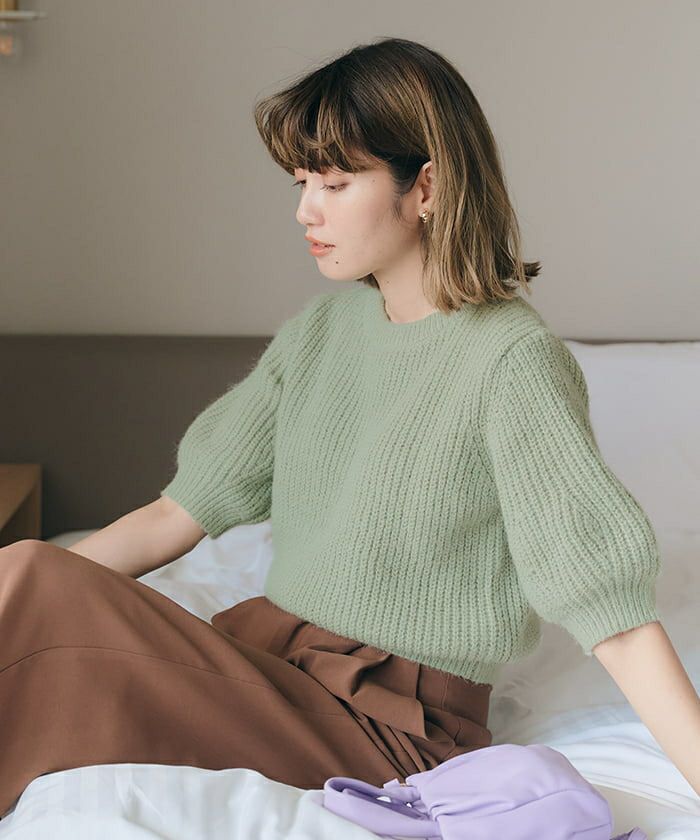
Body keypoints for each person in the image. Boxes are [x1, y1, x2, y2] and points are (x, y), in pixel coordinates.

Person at [0, 36, 667, 820]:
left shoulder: (511, 360)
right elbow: (173, 515)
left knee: (35, 585)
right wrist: (36, 591)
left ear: (426, 185)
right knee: (34, 584)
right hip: (270, 670)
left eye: (336, 182)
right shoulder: (321, 333)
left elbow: (612, 614)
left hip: (389, 728)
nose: (306, 210)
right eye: (303, 181)